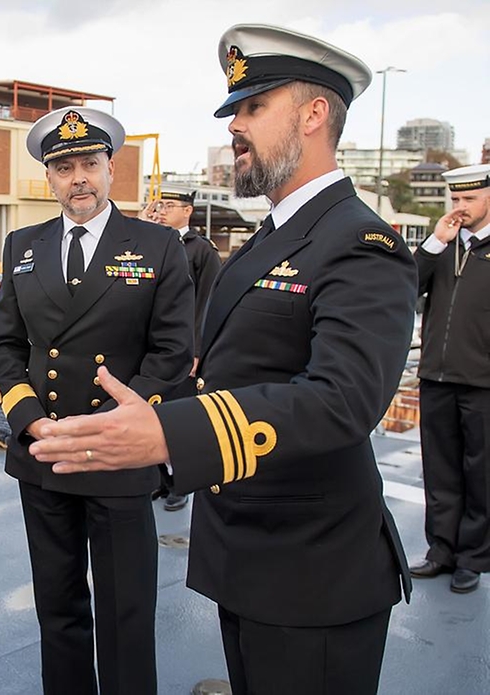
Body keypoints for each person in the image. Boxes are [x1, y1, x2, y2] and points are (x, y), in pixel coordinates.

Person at [30, 24, 418, 695]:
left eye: (253, 106)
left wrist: (167, 433)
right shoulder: (280, 234)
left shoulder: (360, 240)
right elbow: (224, 370)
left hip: (313, 574)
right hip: (251, 555)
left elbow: (344, 399)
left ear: (314, 113)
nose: (235, 124)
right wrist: (146, 418)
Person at [0, 106, 194, 695]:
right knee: (58, 607)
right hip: (44, 452)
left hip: (118, 455)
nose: (78, 177)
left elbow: (173, 350)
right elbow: (3, 343)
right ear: (49, 178)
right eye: (64, 167)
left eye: (89, 164)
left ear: (110, 170)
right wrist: (28, 420)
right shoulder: (24, 245)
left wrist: (118, 423)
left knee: (127, 614)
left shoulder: (156, 245)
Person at [410, 163, 490, 594]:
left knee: (481, 473)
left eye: (469, 200)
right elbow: (406, 285)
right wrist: (435, 243)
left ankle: (472, 557)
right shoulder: (443, 247)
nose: (459, 208)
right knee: (439, 468)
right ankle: (441, 549)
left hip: (483, 382)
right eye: (455, 200)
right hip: (436, 376)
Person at [141, 187, 222, 511]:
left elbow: (208, 304)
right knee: (153, 416)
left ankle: (181, 484)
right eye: (159, 205)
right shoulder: (153, 244)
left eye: (169, 206)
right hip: (153, 350)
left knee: (181, 420)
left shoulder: (201, 251)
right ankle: (159, 480)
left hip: (185, 352)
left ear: (187, 211)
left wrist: (197, 351)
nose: (162, 211)